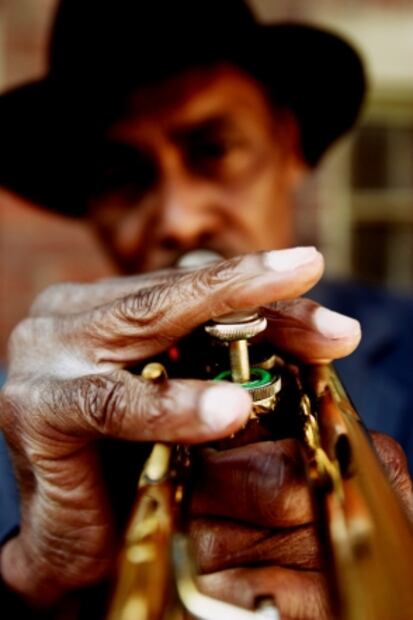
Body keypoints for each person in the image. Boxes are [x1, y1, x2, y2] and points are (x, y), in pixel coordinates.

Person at [0, 1, 412, 618]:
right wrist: (31, 581)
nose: (179, 219)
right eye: (122, 175)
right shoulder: (22, 415)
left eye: (213, 149)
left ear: (289, 144)